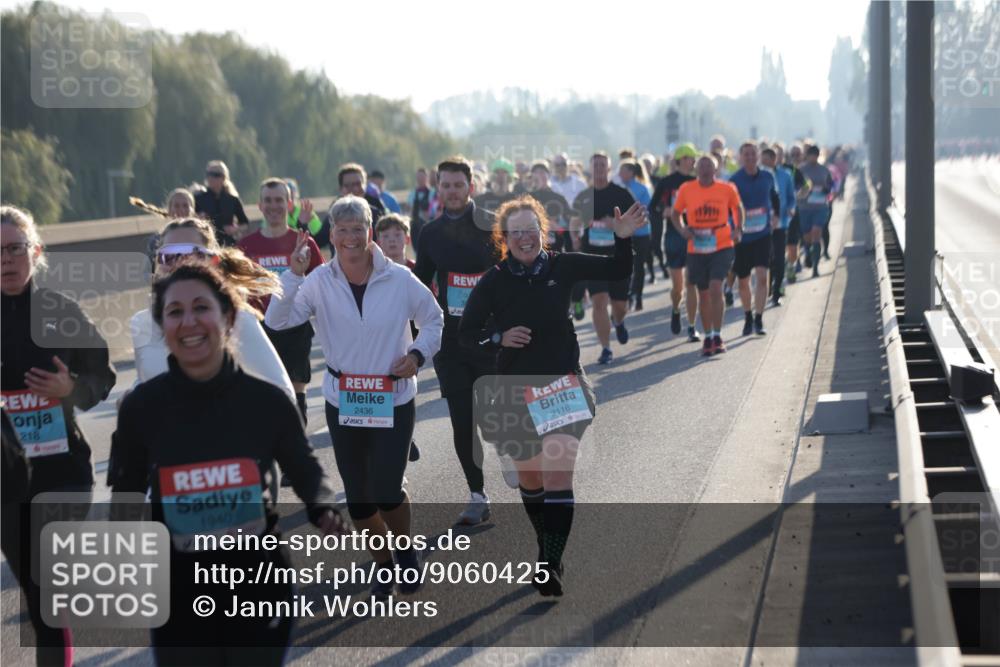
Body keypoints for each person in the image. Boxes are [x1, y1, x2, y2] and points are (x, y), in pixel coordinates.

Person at [110, 261, 346, 665]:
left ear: (229, 317)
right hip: (178, 589)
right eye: (175, 312)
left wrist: (322, 507)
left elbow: (305, 468)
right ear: (162, 327)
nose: (189, 322)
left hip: (257, 582)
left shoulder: (266, 402)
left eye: (202, 307)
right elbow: (127, 491)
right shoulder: (142, 408)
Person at [458, 196, 646, 596]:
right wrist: (498, 337)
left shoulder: (562, 265)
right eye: (516, 233)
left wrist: (624, 239)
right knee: (532, 479)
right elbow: (465, 335)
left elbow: (617, 269)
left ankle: (548, 564)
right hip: (514, 392)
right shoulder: (492, 282)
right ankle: (547, 545)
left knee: (558, 475)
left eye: (531, 230)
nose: (525, 239)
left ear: (542, 232)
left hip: (563, 386)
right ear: (504, 238)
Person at [265, 195, 442, 598]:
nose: (350, 237)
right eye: (342, 230)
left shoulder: (398, 278)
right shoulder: (318, 281)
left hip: (393, 396)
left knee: (387, 488)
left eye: (357, 229)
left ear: (370, 232)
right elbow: (277, 320)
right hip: (344, 398)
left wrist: (416, 354)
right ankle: (383, 564)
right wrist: (291, 277)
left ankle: (404, 550)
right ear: (332, 235)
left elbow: (433, 319)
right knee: (361, 501)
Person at [2, 205, 116, 666]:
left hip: (63, 469)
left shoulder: (59, 311)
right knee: (36, 592)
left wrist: (71, 389)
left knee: (46, 580)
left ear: (36, 252)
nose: (5, 259)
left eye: (14, 248)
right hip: (7, 478)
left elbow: (102, 377)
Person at [414, 156, 507, 523]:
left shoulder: (491, 224)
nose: (452, 191)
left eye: (458, 184)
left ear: (471, 186)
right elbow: (420, 283)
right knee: (462, 420)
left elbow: (509, 273)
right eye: (446, 185)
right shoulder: (430, 233)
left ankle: (516, 459)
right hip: (451, 341)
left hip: (490, 335)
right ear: (438, 188)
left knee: (493, 417)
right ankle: (477, 494)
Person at [238, 178, 323, 428]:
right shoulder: (245, 246)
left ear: (289, 204)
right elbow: (233, 290)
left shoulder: (304, 243)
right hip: (258, 329)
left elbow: (323, 286)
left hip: (295, 328)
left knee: (295, 396)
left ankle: (295, 458)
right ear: (259, 205)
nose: (273, 206)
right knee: (263, 397)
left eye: (279, 200)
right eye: (268, 200)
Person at [671, 156, 745, 356]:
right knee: (703, 293)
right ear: (696, 169)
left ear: (715, 169)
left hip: (721, 244)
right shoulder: (686, 189)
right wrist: (682, 229)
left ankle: (718, 335)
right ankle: (708, 335)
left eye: (709, 166)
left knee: (715, 287)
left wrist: (738, 228)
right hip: (697, 247)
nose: (705, 169)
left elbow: (737, 208)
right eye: (701, 166)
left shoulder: (727, 188)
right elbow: (676, 213)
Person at [570, 152, 637, 364]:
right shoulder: (584, 196)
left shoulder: (621, 194)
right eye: (595, 165)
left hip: (619, 254)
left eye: (603, 165)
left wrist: (617, 225)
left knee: (619, 305)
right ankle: (606, 348)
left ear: (609, 169)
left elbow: (636, 220)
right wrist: (574, 238)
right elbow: (574, 220)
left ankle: (618, 321)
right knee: (599, 302)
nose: (599, 168)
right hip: (593, 256)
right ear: (590, 169)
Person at [650, 142, 700, 341]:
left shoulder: (698, 181)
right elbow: (653, 207)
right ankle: (676, 308)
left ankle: (692, 326)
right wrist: (666, 211)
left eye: (694, 158)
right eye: (690, 158)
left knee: (692, 283)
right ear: (681, 160)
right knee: (678, 287)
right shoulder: (667, 182)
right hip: (672, 237)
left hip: (695, 235)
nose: (693, 162)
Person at [729, 142, 780, 336]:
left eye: (753, 154)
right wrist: (734, 229)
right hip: (742, 237)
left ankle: (759, 319)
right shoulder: (734, 180)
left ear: (758, 156)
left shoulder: (767, 176)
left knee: (762, 276)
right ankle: (748, 315)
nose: (750, 157)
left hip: (762, 234)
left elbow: (775, 198)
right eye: (746, 155)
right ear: (741, 157)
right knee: (743, 282)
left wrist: (775, 216)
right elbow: (729, 208)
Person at [761, 147, 796, 306]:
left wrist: (791, 208)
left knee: (780, 258)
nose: (764, 162)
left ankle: (776, 292)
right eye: (762, 159)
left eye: (767, 159)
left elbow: (791, 197)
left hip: (781, 223)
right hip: (763, 225)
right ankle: (766, 287)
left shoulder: (785, 175)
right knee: (767, 258)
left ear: (774, 159)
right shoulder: (759, 176)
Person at [618, 159, 653, 310]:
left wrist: (634, 217)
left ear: (631, 173)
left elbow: (647, 210)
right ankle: (626, 296)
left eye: (623, 171)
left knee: (639, 266)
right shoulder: (617, 189)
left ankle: (637, 296)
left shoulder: (642, 189)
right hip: (624, 234)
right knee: (625, 266)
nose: (620, 174)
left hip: (641, 233)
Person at [797, 145, 834, 278]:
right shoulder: (800, 170)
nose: (813, 157)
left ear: (818, 156)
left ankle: (816, 268)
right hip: (804, 207)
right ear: (806, 156)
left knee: (816, 233)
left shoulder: (824, 170)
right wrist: (804, 190)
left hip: (820, 207)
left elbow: (831, 184)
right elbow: (795, 186)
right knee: (807, 236)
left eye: (815, 155)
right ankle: (807, 252)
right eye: (811, 155)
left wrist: (826, 190)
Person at [194, 160, 249, 246]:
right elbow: (188, 219)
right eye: (208, 174)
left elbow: (245, 223)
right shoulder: (198, 198)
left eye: (215, 175)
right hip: (205, 244)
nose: (210, 178)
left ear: (223, 178)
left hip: (228, 244)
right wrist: (197, 218)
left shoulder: (232, 200)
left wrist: (235, 229)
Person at [526, 160, 572, 253]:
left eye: (542, 172)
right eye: (536, 173)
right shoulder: (526, 199)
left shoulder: (559, 198)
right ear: (532, 177)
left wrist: (558, 228)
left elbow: (569, 227)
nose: (539, 176)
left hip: (555, 249)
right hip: (532, 249)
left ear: (548, 175)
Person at [474, 158, 517, 228]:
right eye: (497, 172)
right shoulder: (479, 200)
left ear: (510, 177)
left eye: (504, 172)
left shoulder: (516, 200)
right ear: (492, 176)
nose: (500, 175)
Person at [407, 167, 433, 252]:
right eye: (418, 177)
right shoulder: (412, 194)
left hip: (428, 225)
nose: (420, 179)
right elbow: (410, 211)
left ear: (427, 177)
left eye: (422, 177)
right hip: (415, 227)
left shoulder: (433, 193)